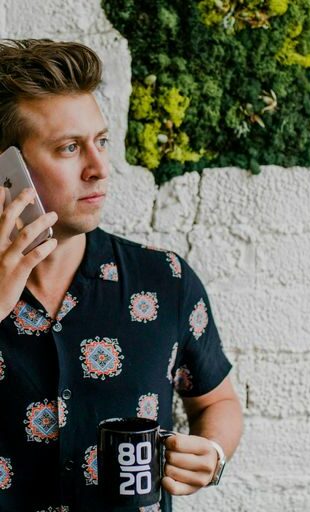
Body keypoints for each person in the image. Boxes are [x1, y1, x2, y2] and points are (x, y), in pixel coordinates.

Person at [0, 39, 243, 511]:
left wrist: (212, 452)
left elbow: (217, 401)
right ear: (8, 171)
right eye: (69, 148)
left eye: (101, 141)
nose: (99, 168)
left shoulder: (165, 279)